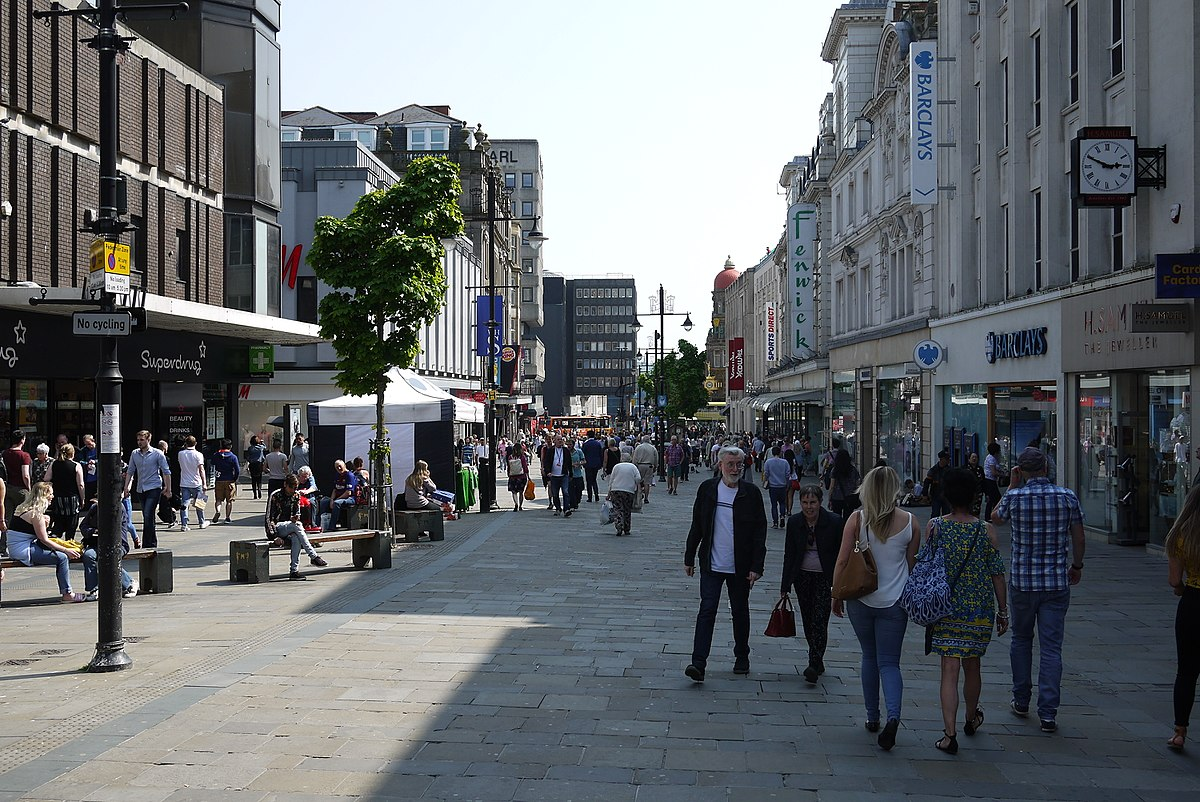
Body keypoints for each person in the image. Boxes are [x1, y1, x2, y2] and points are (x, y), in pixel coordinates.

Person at [991, 447, 1084, 734]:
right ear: (1046, 468)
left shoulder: (1015, 498)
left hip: (1022, 582)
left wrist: (1010, 486)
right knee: (1052, 648)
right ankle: (1048, 712)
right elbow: (1078, 536)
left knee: (1021, 639)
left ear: (1021, 470)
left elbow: (995, 517)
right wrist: (1076, 565)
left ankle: (1021, 700)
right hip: (1056, 582)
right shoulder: (1067, 497)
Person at [832, 465, 920, 751]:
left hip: (861, 598)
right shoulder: (910, 522)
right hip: (896, 602)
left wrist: (836, 593)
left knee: (869, 656)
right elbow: (913, 566)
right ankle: (894, 715)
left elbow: (843, 561)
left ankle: (873, 717)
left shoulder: (857, 520)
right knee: (890, 662)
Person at [926, 468, 1009, 756]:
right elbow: (997, 573)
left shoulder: (936, 526)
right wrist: (1003, 611)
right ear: (974, 496)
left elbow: (925, 563)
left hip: (945, 608)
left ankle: (949, 735)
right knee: (972, 664)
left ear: (947, 496)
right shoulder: (985, 530)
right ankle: (971, 718)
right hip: (978, 610)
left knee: (949, 668)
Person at [683, 446, 768, 682]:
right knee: (707, 610)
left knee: (740, 611)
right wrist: (689, 556)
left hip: (740, 565)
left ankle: (742, 656)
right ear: (720, 465)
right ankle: (698, 662)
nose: (735, 468)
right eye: (730, 464)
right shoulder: (708, 489)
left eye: (738, 464)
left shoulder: (750, 493)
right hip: (712, 563)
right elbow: (697, 524)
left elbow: (760, 531)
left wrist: (756, 565)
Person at [780, 484, 842, 683]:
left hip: (825, 577)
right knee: (808, 619)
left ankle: (813, 663)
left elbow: (842, 553)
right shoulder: (795, 522)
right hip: (802, 576)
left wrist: (840, 582)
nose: (809, 507)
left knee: (820, 619)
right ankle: (817, 657)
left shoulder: (834, 522)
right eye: (805, 503)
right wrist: (785, 584)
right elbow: (789, 554)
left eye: (813, 502)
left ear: (820, 502)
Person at [7, 482, 96, 602]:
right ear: (43, 496)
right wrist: (66, 550)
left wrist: (44, 522)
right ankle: (67, 593)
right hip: (23, 549)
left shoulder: (24, 508)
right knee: (62, 558)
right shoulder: (36, 514)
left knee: (60, 554)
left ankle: (67, 592)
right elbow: (44, 539)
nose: (53, 497)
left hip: (19, 546)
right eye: (51, 494)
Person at [1166, 482, 1200, 751]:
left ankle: (1180, 730)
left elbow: (1175, 580)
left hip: (1193, 603)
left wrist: (1181, 588)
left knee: (1186, 671)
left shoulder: (1181, 536)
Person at [266, 473, 328, 581]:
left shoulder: (296, 495)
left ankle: (294, 571)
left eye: (295, 488)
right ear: (285, 484)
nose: (293, 490)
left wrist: (295, 518)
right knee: (297, 526)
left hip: (291, 527)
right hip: (277, 527)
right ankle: (313, 556)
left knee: (296, 537)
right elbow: (268, 517)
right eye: (291, 487)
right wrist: (274, 536)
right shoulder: (275, 495)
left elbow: (297, 513)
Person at [78, 497, 138, 599]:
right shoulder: (94, 508)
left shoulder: (118, 508)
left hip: (118, 544)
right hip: (97, 544)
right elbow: (83, 525)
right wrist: (92, 531)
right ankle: (94, 589)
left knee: (108, 557)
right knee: (88, 555)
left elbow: (115, 529)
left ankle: (129, 583)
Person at [123, 430, 172, 548]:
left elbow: (166, 471)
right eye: (138, 440)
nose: (139, 442)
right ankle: (152, 542)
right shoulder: (135, 453)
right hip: (141, 489)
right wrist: (126, 487)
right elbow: (130, 471)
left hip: (154, 487)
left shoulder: (157, 453)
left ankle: (147, 544)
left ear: (148, 440)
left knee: (148, 514)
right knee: (147, 517)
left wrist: (168, 488)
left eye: (142, 440)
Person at [45, 443, 85, 539]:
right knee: (71, 524)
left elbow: (46, 478)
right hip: (72, 498)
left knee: (58, 521)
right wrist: (83, 499)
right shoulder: (76, 465)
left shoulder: (54, 464)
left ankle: (55, 539)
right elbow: (81, 484)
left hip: (58, 497)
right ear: (72, 454)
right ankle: (69, 542)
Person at [176, 435, 209, 532]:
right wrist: (204, 483)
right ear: (196, 443)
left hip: (184, 482)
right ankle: (201, 522)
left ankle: (184, 524)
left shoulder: (181, 454)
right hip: (196, 482)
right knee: (199, 503)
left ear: (185, 443)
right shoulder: (198, 455)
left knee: (185, 503)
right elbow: (201, 469)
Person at [606, 459, 642, 537]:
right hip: (628, 490)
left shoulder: (617, 466)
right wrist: (635, 483)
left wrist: (609, 493)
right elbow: (638, 478)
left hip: (616, 490)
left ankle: (619, 525)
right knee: (627, 509)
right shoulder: (633, 467)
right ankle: (627, 528)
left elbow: (611, 480)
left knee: (618, 509)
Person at [210, 439, 241, 524]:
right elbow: (237, 470)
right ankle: (227, 517)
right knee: (229, 500)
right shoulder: (233, 457)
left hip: (219, 480)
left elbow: (212, 464)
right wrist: (235, 479)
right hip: (229, 480)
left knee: (218, 499)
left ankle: (218, 511)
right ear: (230, 446)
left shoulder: (216, 455)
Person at [322, 459, 358, 530]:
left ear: (344, 465)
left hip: (351, 498)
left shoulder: (349, 475)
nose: (338, 468)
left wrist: (336, 500)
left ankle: (331, 527)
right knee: (324, 502)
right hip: (339, 497)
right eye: (336, 467)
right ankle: (321, 525)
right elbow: (335, 490)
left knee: (337, 503)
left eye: (340, 466)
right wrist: (332, 500)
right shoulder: (337, 475)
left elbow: (348, 493)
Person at [540, 434, 571, 517]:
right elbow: (546, 462)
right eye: (558, 439)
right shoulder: (551, 450)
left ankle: (566, 509)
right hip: (554, 475)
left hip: (563, 475)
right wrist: (547, 472)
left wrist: (570, 474)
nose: (560, 441)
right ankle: (558, 508)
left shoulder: (565, 450)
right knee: (555, 493)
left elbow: (569, 462)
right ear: (555, 441)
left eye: (561, 439)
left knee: (566, 492)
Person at [762, 446, 792, 529]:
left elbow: (766, 473)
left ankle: (775, 523)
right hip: (782, 485)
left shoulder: (768, 462)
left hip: (773, 486)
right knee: (782, 503)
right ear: (779, 452)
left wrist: (764, 482)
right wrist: (787, 484)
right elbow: (787, 474)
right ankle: (782, 516)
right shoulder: (785, 462)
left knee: (774, 505)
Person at [827, 449, 862, 517]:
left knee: (837, 517)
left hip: (836, 497)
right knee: (848, 517)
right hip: (849, 497)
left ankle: (839, 527)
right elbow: (857, 483)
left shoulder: (835, 470)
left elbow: (831, 486)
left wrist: (829, 499)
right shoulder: (853, 469)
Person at [632, 435, 659, 504]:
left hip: (640, 465)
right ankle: (646, 498)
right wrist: (655, 466)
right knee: (647, 482)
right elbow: (656, 458)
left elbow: (635, 458)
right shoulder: (653, 448)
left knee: (639, 481)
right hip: (649, 466)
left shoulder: (639, 447)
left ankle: (640, 495)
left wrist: (634, 465)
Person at [294, 465, 322, 531]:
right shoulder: (295, 478)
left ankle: (312, 524)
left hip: (309, 497)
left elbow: (314, 487)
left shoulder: (310, 478)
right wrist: (298, 492)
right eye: (302, 477)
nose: (304, 479)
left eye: (306, 477)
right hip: (298, 497)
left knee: (312, 502)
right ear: (299, 475)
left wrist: (306, 491)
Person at [925, 449, 951, 518]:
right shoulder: (934, 470)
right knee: (935, 514)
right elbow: (927, 482)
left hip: (946, 496)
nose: (948, 461)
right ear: (942, 459)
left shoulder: (950, 470)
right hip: (936, 495)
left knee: (946, 515)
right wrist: (925, 494)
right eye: (947, 459)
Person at [982, 441, 1004, 522]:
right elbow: (993, 472)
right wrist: (1002, 475)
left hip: (991, 481)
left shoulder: (992, 458)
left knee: (994, 499)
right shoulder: (991, 458)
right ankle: (990, 516)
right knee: (994, 499)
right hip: (989, 481)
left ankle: (992, 515)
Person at [581, 430, 605, 503]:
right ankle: (596, 495)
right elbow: (601, 454)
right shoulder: (597, 444)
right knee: (594, 480)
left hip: (588, 464)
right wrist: (601, 464)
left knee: (588, 481)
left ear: (587, 435)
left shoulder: (586, 444)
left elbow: (583, 453)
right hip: (596, 464)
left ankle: (590, 497)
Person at [506, 443, 530, 511]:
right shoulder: (522, 457)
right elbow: (525, 466)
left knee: (514, 492)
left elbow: (509, 466)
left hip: (513, 476)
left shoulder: (510, 457)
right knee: (521, 492)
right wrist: (528, 475)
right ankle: (520, 506)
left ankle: (516, 503)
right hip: (521, 476)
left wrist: (508, 473)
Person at [245, 435, 267, 500]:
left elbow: (248, 457)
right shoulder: (261, 447)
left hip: (252, 464)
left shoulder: (250, 448)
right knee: (259, 478)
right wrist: (262, 442)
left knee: (253, 479)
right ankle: (259, 489)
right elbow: (265, 447)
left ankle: (255, 493)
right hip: (259, 464)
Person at [78, 433, 99, 502]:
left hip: (98, 475)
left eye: (89, 444)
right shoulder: (84, 450)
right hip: (88, 476)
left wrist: (95, 462)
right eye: (86, 444)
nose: (88, 446)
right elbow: (80, 460)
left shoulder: (99, 449)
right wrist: (87, 464)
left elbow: (104, 460)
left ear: (93, 441)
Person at [569, 438, 585, 511]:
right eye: (568, 444)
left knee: (579, 489)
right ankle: (572, 504)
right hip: (569, 474)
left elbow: (584, 460)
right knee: (571, 490)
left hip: (578, 474)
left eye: (570, 444)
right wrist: (571, 465)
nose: (569, 446)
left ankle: (577, 501)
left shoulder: (579, 451)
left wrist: (579, 463)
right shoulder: (565, 452)